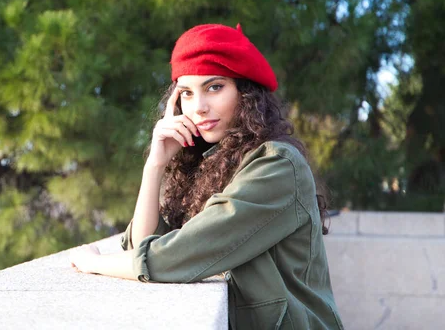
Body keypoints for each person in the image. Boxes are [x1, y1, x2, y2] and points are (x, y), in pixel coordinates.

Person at [69, 23, 344, 329]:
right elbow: (142, 247)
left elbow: (175, 257)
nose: (198, 107)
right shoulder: (211, 163)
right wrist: (155, 166)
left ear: (246, 92)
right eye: (186, 93)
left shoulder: (276, 166)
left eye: (214, 87)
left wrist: (94, 263)